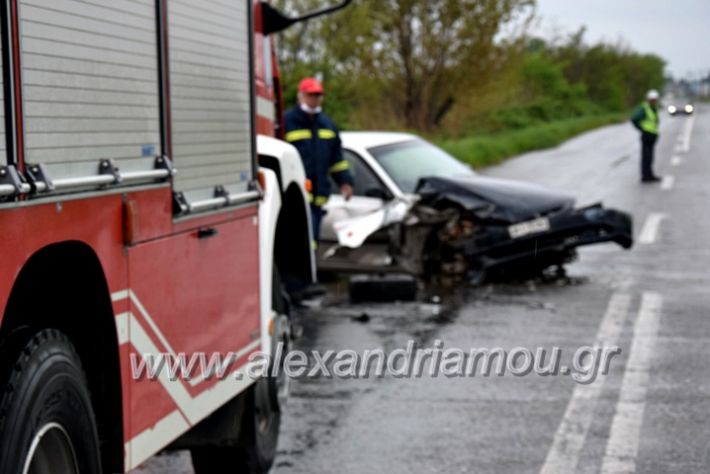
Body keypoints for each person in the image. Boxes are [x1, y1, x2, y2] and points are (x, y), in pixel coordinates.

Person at [284, 77, 354, 245]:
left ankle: (310, 269)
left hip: (317, 198)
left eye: (318, 96)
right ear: (300, 96)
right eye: (311, 95)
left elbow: (337, 159)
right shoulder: (287, 122)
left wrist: (345, 181)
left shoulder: (327, 125)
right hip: (293, 199)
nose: (315, 99)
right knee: (296, 243)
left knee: (312, 242)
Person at [631, 89, 661, 183]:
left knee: (650, 157)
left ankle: (650, 175)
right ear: (649, 99)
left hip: (652, 135)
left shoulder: (654, 108)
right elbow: (634, 119)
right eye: (652, 99)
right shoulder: (644, 108)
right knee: (646, 157)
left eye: (655, 99)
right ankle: (645, 176)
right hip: (647, 135)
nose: (654, 101)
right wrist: (641, 129)